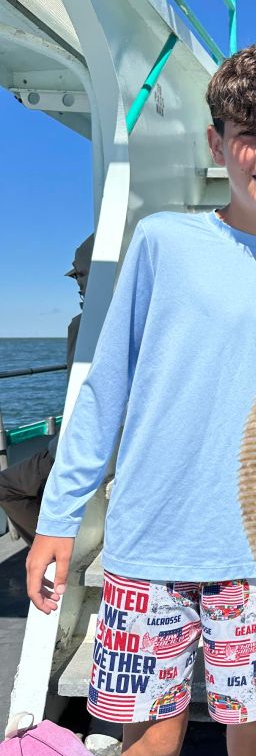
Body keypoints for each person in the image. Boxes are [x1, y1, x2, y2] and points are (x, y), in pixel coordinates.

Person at [26, 41, 256, 756]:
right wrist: (58, 519)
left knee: (255, 713)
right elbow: (106, 388)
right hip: (149, 549)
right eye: (249, 134)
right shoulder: (163, 242)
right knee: (150, 743)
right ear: (215, 143)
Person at [0, 234, 94, 545]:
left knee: (7, 485)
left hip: (81, 446)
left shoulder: (83, 324)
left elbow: (77, 393)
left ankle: (52, 555)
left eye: (79, 277)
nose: (76, 284)